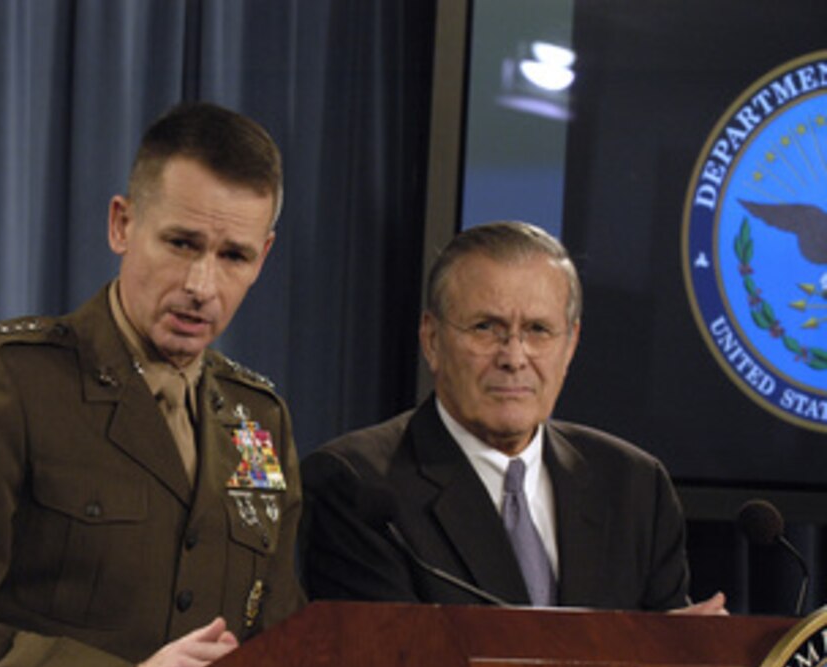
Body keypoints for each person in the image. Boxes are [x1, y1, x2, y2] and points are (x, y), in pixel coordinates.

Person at [0, 102, 305, 667]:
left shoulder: (259, 419)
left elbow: (278, 643)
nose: (202, 284)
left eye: (234, 257)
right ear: (122, 224)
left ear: (265, 257)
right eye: (181, 243)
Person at [300, 220, 726, 614]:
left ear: (571, 343)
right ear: (431, 340)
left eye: (538, 330)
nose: (514, 357)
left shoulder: (633, 486)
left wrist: (684, 653)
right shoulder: (359, 486)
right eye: (486, 327)